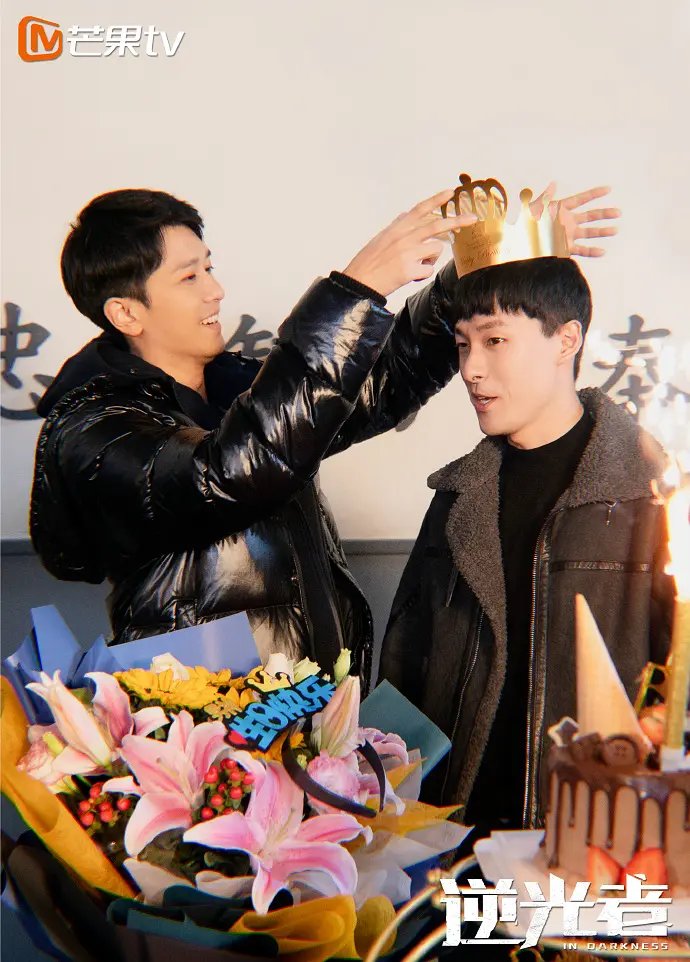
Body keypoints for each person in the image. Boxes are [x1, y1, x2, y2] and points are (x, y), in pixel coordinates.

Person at [29, 184, 615, 692]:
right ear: (126, 313)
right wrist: (358, 287)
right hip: (200, 738)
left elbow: (377, 384)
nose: (215, 290)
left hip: (306, 707)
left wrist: (487, 260)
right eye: (189, 277)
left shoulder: (240, 394)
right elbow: (229, 471)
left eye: (209, 267)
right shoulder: (93, 428)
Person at [378, 255, 675, 829]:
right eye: (463, 345)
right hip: (455, 832)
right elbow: (404, 669)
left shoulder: (653, 497)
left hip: (595, 832)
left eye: (495, 341)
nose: (471, 369)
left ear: (566, 340)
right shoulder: (457, 496)